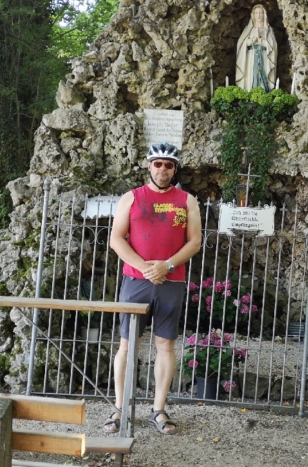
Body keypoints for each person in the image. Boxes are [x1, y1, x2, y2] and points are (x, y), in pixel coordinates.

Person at [104, 142, 201, 435]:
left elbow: (194, 241)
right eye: (157, 163)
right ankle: (119, 408)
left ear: (175, 169)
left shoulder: (187, 201)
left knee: (165, 345)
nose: (162, 169)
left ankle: (159, 410)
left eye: (168, 165)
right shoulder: (131, 198)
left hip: (172, 281)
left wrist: (167, 266)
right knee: (126, 345)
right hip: (136, 280)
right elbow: (116, 239)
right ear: (149, 166)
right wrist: (146, 268)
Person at [235, 4, 278, 91]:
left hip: (264, 57)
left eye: (261, 13)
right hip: (251, 57)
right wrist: (252, 41)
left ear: (264, 14)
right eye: (256, 13)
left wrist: (261, 41)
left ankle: (264, 92)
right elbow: (241, 44)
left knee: (263, 75)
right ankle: (249, 91)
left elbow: (273, 46)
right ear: (253, 15)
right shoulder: (248, 29)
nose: (258, 15)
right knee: (251, 75)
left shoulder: (268, 30)